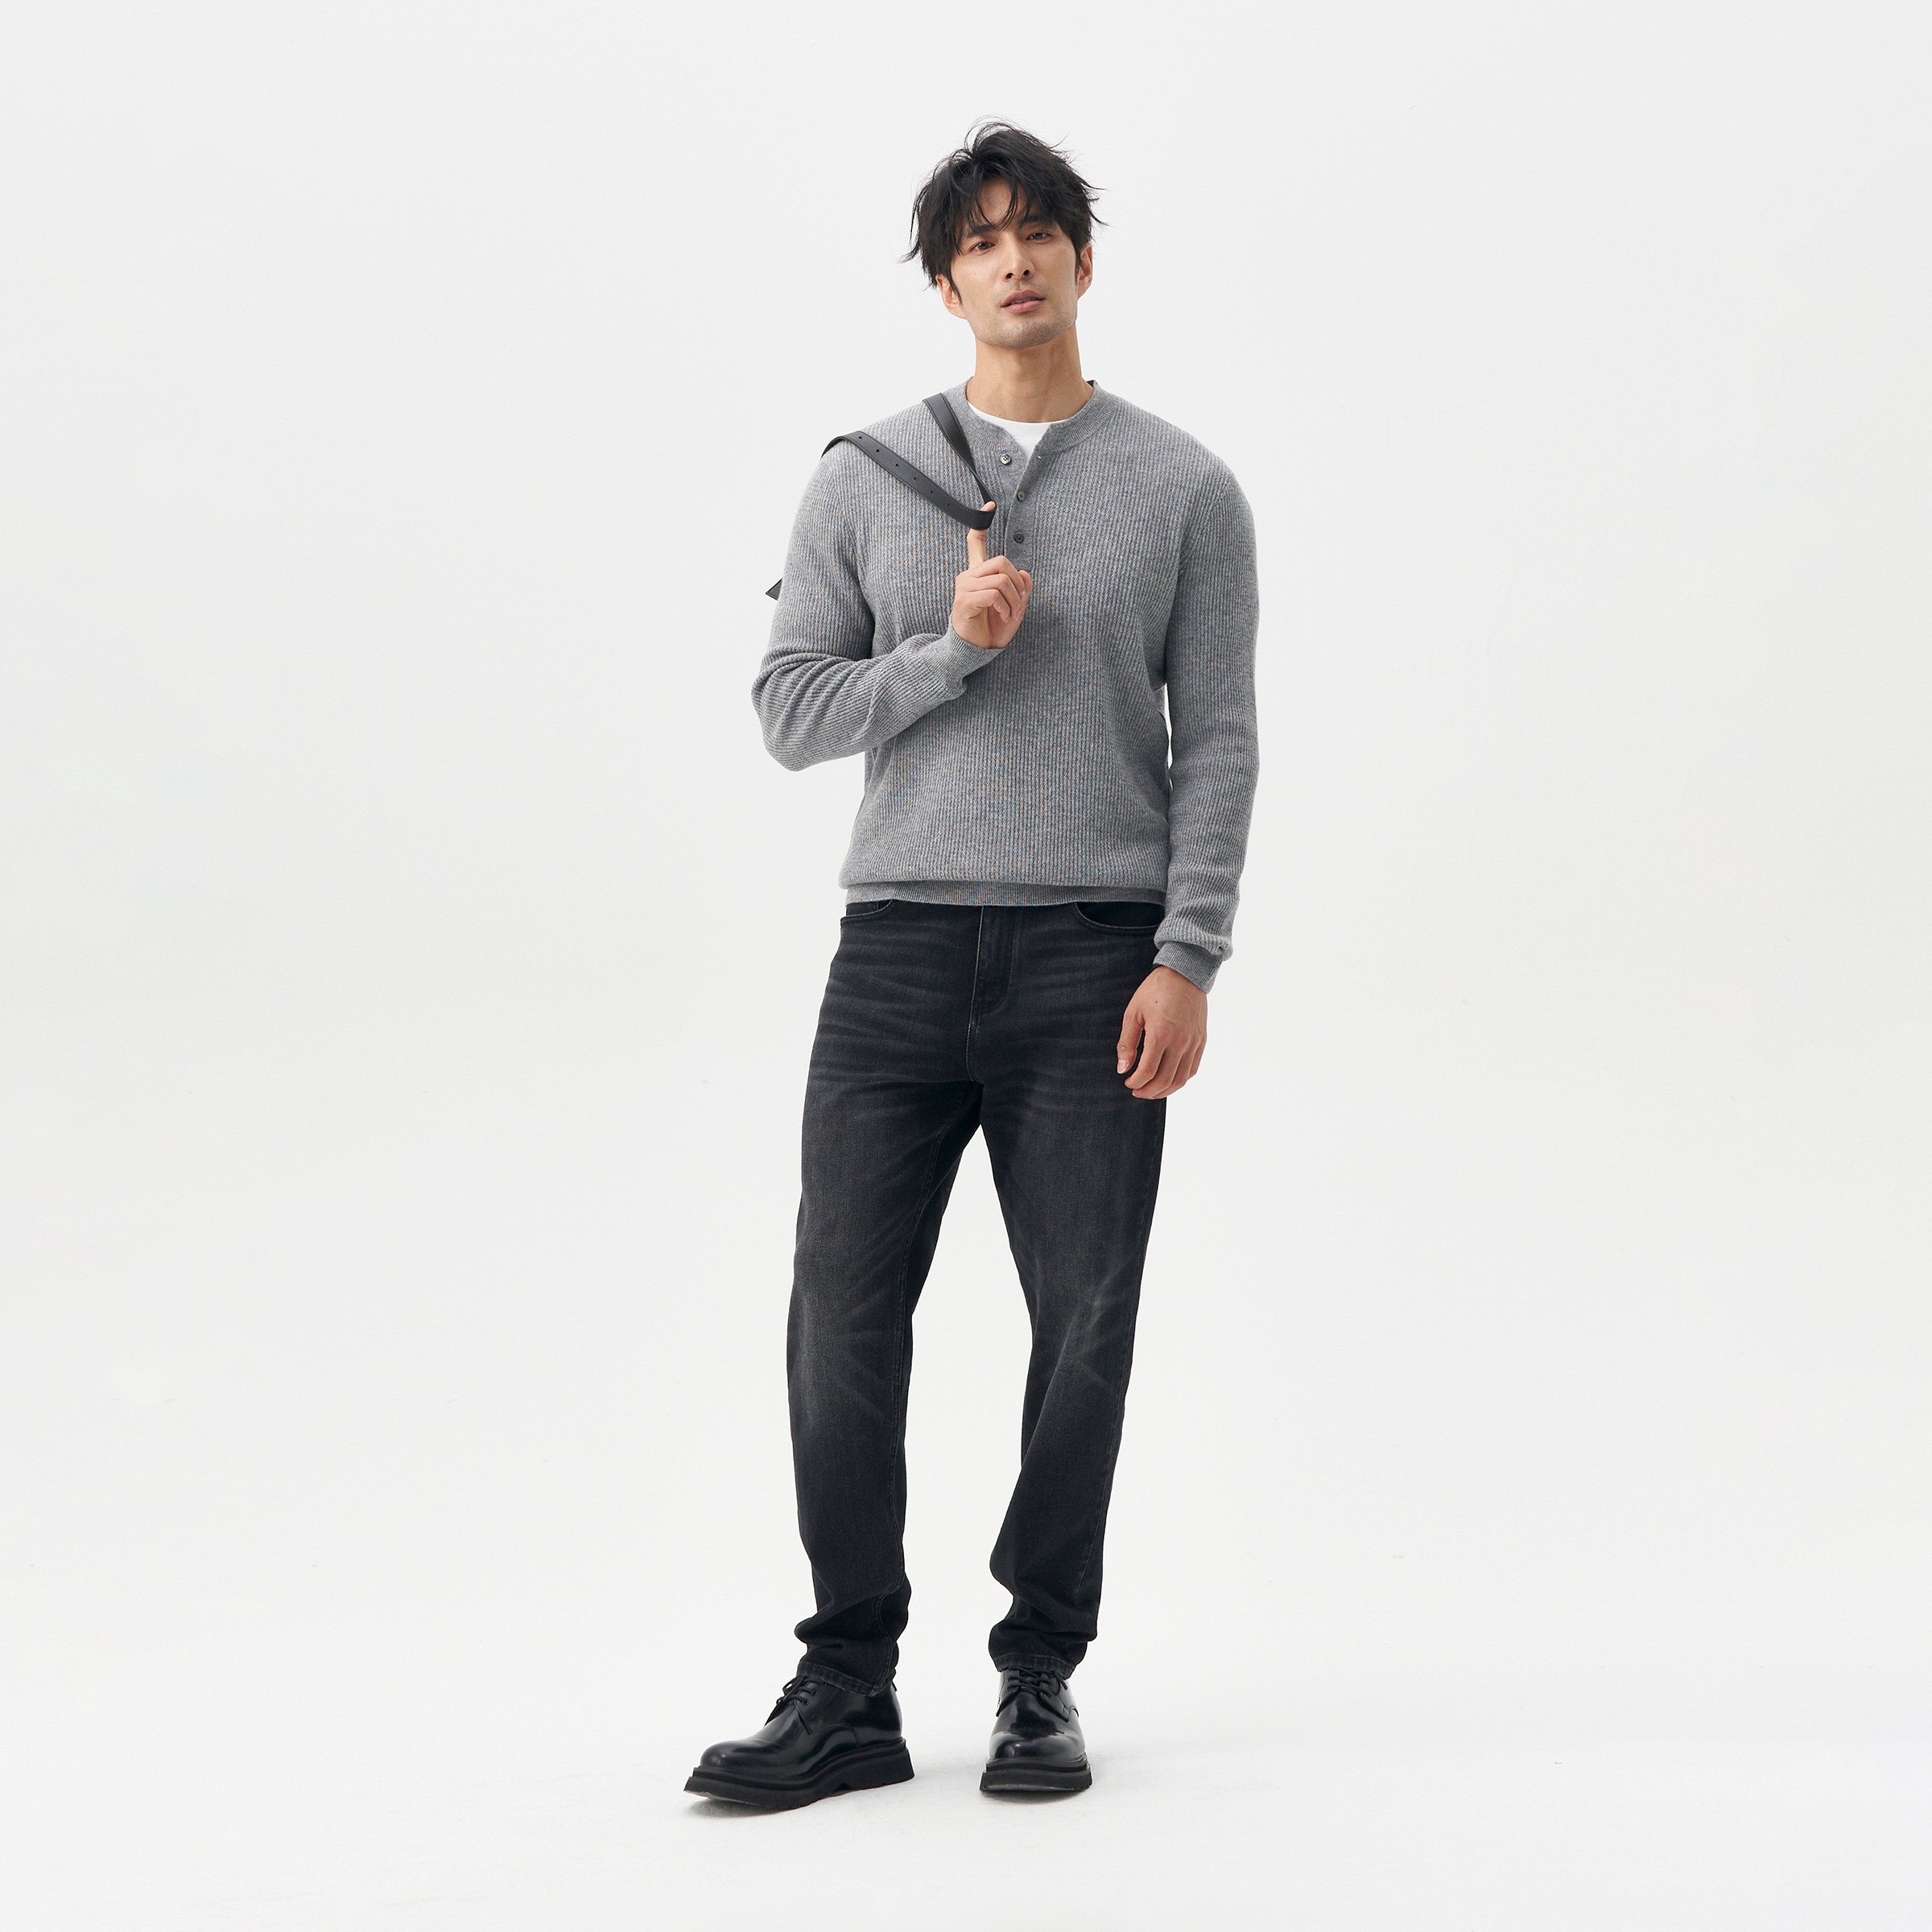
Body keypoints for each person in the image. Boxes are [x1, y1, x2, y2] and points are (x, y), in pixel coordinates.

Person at [686, 122, 1259, 1809]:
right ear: (948, 285)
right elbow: (791, 710)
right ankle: (847, 1682)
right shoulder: (867, 475)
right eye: (983, 242)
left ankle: (1038, 1671)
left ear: (1083, 259)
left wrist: (1188, 953)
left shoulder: (1186, 488)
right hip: (898, 954)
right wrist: (949, 653)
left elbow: (1220, 739)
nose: (1015, 261)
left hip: (1095, 960)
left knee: (1085, 1324)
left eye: (1039, 233)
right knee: (841, 1315)